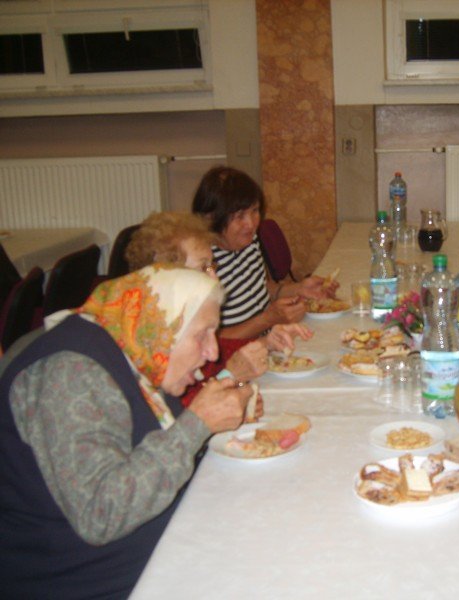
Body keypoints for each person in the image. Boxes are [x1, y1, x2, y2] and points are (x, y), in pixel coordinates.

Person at [0, 266, 254, 598]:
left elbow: (160, 444)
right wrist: (198, 424)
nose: (213, 352)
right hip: (87, 580)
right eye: (202, 334)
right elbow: (101, 514)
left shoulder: (136, 349)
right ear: (163, 326)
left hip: (155, 552)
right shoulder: (70, 374)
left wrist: (213, 419)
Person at [125, 210, 313, 405]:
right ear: (168, 276)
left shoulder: (180, 320)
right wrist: (230, 377)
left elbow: (217, 355)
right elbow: (181, 410)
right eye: (203, 268)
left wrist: (265, 343)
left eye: (212, 266)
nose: (215, 278)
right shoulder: (150, 343)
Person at [191, 166, 338, 340]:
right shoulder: (201, 264)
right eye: (240, 216)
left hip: (270, 340)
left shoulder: (249, 241)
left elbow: (258, 286)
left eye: (254, 211)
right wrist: (267, 320)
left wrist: (298, 289)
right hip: (240, 353)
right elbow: (211, 340)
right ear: (212, 218)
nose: (251, 224)